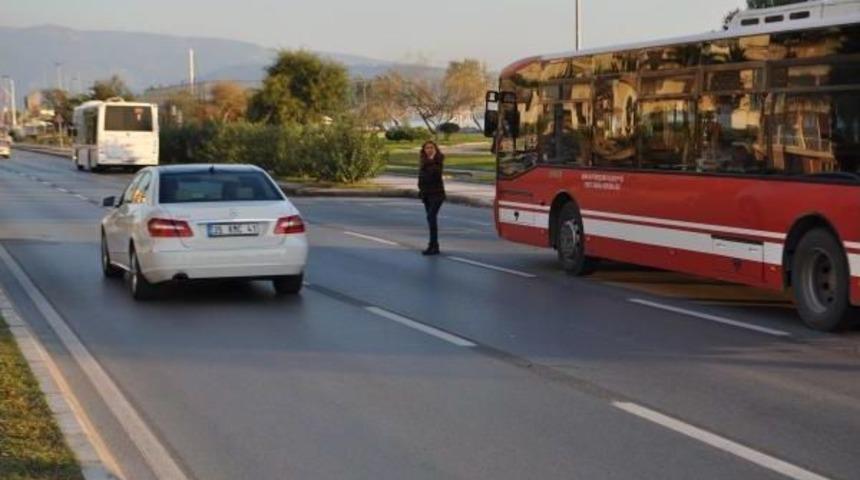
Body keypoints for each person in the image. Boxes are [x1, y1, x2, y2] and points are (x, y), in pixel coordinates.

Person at [418, 140, 446, 256]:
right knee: (430, 220)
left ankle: (433, 245)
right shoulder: (423, 161)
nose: (429, 150)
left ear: (435, 149)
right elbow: (422, 177)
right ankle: (434, 245)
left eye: (431, 148)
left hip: (437, 194)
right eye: (427, 148)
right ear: (424, 150)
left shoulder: (438, 160)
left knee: (431, 217)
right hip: (426, 194)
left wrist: (431, 159)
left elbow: (435, 173)